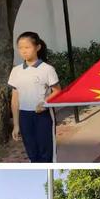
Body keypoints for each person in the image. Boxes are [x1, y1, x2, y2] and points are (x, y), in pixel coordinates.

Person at [9, 31, 61, 163]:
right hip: (24, 116)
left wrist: (44, 103)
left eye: (27, 47)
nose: (24, 51)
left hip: (43, 116)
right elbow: (15, 100)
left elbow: (57, 91)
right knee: (32, 153)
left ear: (37, 47)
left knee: (46, 154)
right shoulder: (16, 71)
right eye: (20, 48)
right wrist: (16, 125)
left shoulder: (47, 69)